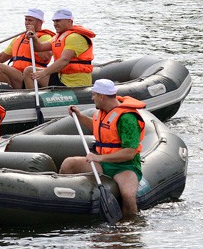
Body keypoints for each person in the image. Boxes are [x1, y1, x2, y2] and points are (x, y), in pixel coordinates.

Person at [59, 79, 145, 218]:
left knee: (128, 197)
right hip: (103, 163)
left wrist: (99, 157)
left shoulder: (128, 118)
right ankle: (65, 207)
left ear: (102, 96)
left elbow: (129, 153)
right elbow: (99, 129)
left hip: (125, 167)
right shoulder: (102, 112)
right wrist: (79, 116)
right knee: (69, 164)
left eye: (94, 95)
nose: (92, 98)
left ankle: (130, 230)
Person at [0, 8, 54, 89]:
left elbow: (45, 57)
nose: (27, 22)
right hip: (18, 76)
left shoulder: (45, 37)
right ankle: (11, 92)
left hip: (33, 77)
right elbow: (0, 57)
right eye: (26, 19)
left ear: (39, 22)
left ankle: (15, 92)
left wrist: (33, 38)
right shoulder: (19, 38)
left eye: (30, 20)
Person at [24, 8, 95, 89]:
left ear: (69, 21)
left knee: (35, 72)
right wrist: (34, 38)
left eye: (58, 21)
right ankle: (32, 98)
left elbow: (64, 60)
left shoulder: (75, 37)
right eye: (54, 21)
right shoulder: (58, 37)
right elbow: (39, 47)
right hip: (61, 77)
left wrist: (44, 73)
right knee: (29, 71)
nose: (55, 24)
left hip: (75, 82)